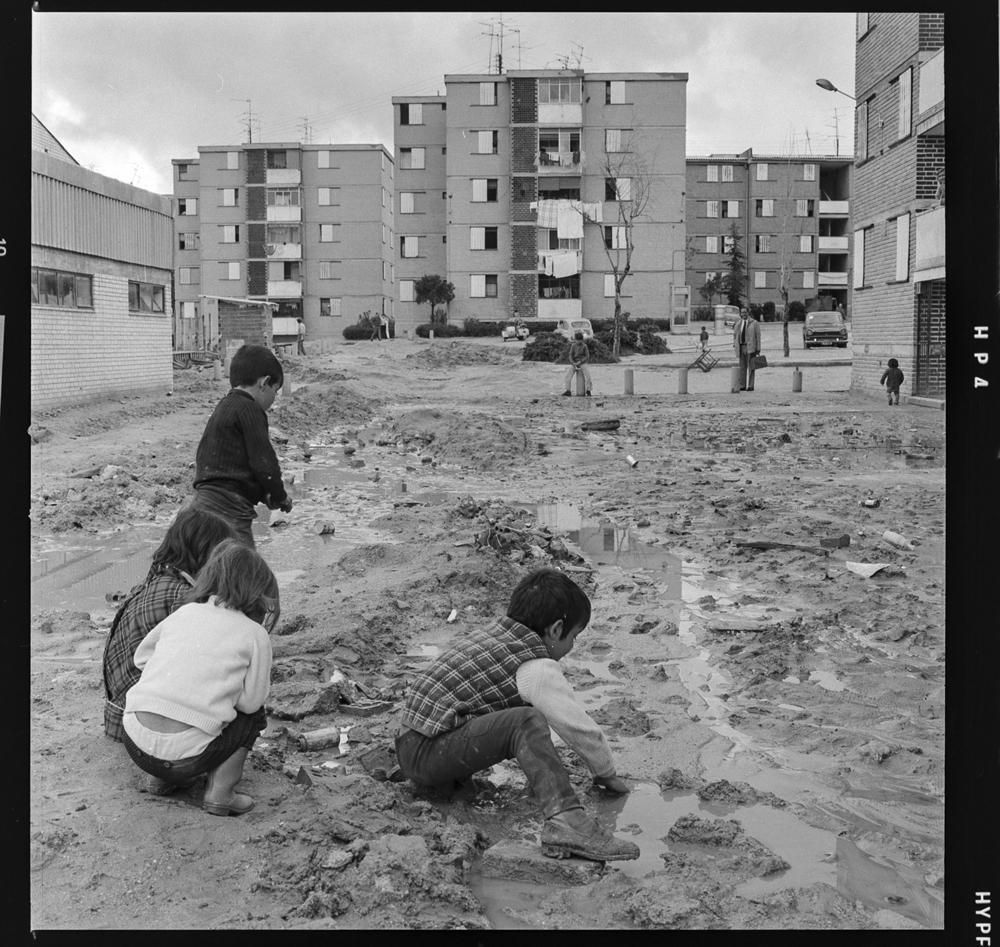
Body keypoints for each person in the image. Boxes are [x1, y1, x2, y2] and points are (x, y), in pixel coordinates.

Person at [395, 568, 639, 862]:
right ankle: (567, 822)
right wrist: (605, 772)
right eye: (574, 636)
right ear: (556, 629)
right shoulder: (535, 666)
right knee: (526, 721)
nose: (572, 647)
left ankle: (456, 783)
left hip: (411, 741)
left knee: (519, 713)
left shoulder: (495, 635)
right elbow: (576, 726)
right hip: (427, 754)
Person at [120, 539, 279, 817]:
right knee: (254, 717)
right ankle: (221, 792)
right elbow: (251, 703)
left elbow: (142, 659)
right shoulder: (255, 634)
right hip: (188, 756)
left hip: (135, 745)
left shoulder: (184, 612)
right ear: (259, 593)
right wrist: (225, 691)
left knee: (159, 694)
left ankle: (161, 778)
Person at [102, 508, 237, 743]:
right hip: (141, 729)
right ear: (204, 552)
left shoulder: (156, 581)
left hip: (120, 716)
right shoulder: (183, 597)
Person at [189, 344, 292, 547]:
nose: (274, 399)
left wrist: (264, 495)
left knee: (210, 564)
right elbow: (264, 463)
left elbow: (237, 467)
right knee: (243, 568)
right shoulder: (251, 410)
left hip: (203, 502)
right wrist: (280, 496)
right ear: (265, 382)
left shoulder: (225, 406)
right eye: (275, 391)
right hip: (229, 509)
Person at [732, 307, 761, 391]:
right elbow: (735, 335)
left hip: (751, 347)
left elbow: (758, 336)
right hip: (741, 347)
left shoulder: (754, 323)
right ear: (740, 314)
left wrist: (758, 348)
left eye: (745, 312)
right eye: (742, 312)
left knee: (751, 367)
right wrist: (735, 344)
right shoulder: (738, 324)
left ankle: (751, 385)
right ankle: (742, 385)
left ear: (748, 313)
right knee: (742, 367)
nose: (743, 314)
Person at [561, 332, 593, 397]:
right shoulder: (573, 346)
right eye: (577, 340)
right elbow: (570, 355)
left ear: (582, 340)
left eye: (580, 340)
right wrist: (573, 363)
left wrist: (580, 361)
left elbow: (587, 356)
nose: (579, 341)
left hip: (582, 363)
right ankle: (568, 390)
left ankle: (588, 390)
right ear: (575, 340)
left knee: (588, 376)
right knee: (568, 377)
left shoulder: (584, 346)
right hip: (574, 363)